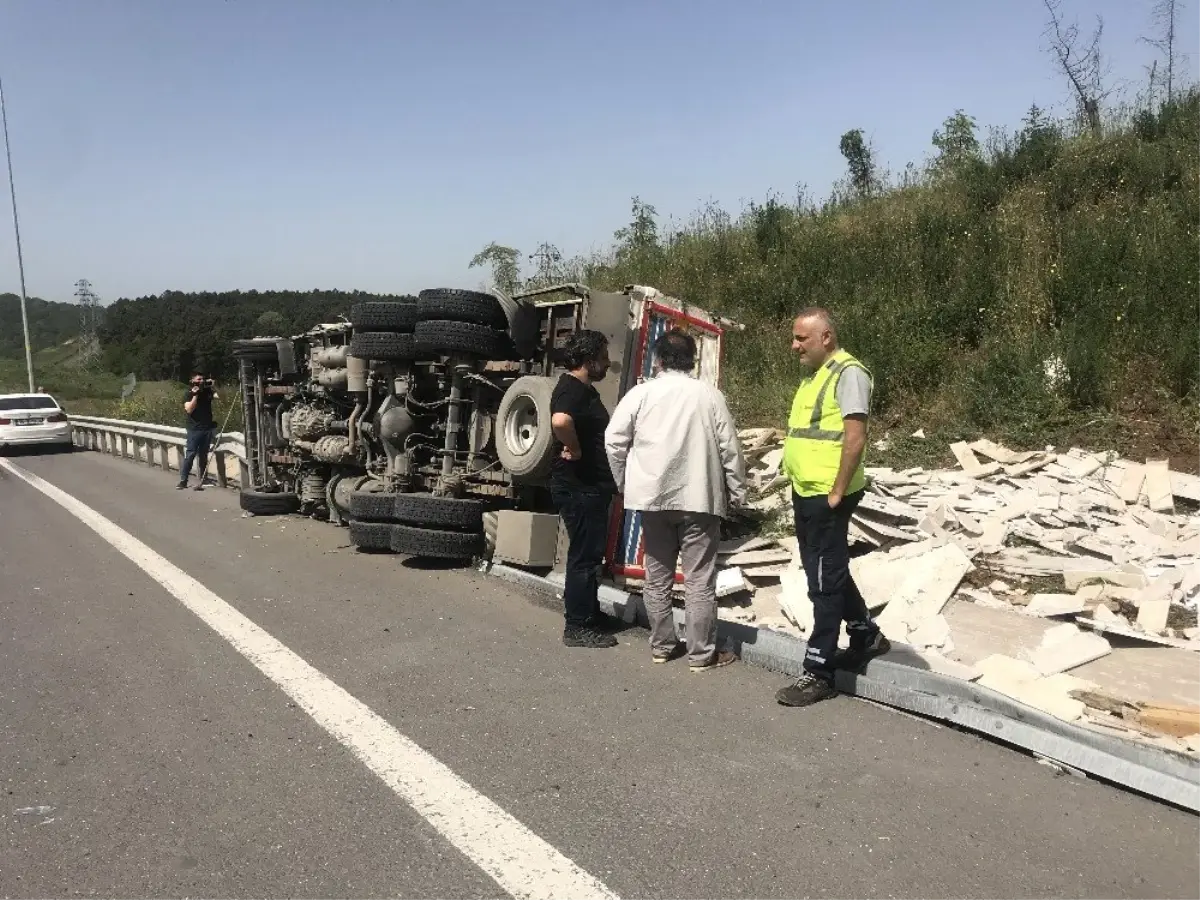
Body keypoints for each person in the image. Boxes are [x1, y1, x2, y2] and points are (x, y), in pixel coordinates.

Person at [605, 328, 747, 672]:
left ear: (658, 360)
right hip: (699, 499)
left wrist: (625, 483)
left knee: (657, 576)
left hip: (653, 499)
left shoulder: (641, 394)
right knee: (699, 579)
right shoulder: (709, 395)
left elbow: (613, 440)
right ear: (693, 361)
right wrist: (738, 492)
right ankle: (701, 655)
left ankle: (662, 646)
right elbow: (730, 448)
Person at [775, 308, 890, 708]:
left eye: (801, 339)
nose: (794, 346)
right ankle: (864, 633)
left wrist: (838, 491)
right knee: (825, 567)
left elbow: (855, 438)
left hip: (828, 493)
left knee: (823, 581)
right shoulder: (814, 375)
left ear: (826, 337)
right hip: (807, 488)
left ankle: (818, 670)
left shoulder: (848, 373)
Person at [550, 330, 621, 648]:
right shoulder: (572, 388)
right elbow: (561, 421)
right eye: (603, 358)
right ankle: (577, 626)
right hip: (580, 487)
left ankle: (588, 613)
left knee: (590, 555)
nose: (607, 364)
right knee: (583, 557)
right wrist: (575, 449)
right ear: (589, 360)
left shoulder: (582, 389)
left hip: (589, 487)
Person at [178, 372, 219, 491]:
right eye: (199, 379)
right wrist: (195, 395)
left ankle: (203, 479)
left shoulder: (207, 392)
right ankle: (183, 481)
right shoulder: (188, 393)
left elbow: (222, 398)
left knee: (203, 455)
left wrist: (214, 387)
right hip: (194, 429)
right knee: (190, 454)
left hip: (207, 428)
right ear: (192, 380)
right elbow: (189, 409)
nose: (202, 381)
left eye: (203, 379)